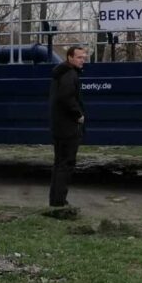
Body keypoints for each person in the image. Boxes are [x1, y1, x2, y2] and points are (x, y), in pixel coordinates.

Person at [49, 45, 87, 207]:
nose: (82, 61)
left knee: (59, 164)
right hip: (68, 127)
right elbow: (66, 98)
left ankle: (56, 200)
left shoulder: (61, 73)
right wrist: (78, 115)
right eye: (79, 57)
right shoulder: (70, 74)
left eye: (84, 58)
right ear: (70, 57)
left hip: (59, 126)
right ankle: (59, 201)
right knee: (66, 164)